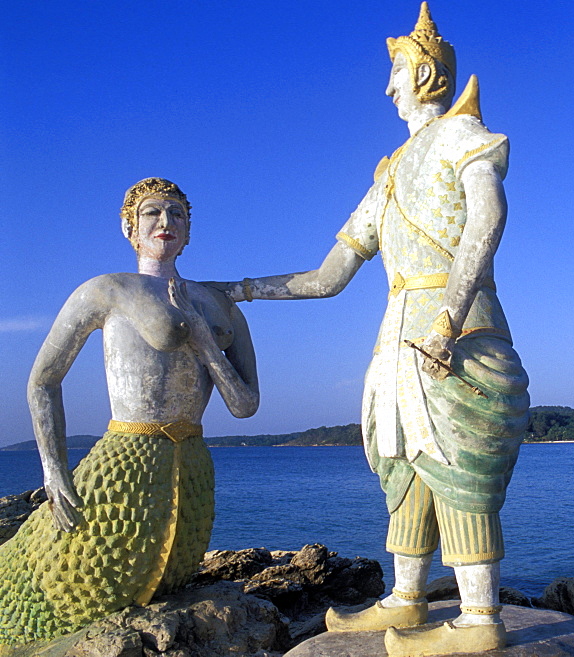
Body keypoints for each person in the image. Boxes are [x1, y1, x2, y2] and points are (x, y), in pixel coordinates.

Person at [218, 4, 528, 654]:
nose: (387, 87)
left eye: (394, 72)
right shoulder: (387, 173)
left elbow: (486, 218)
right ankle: (406, 597)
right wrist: (239, 290)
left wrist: (448, 318)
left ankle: (479, 617)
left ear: (424, 73)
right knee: (401, 465)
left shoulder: (460, 133)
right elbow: (331, 273)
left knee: (458, 461)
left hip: (457, 332)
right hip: (394, 343)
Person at [0, 178, 259, 650]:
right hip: (126, 460)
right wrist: (54, 470)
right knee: (81, 576)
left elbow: (244, 407)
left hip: (194, 468)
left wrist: (204, 340)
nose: (166, 222)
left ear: (189, 231)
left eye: (177, 213)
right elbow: (42, 381)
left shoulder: (218, 304)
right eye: (152, 213)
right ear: (129, 228)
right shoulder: (108, 290)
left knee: (169, 575)